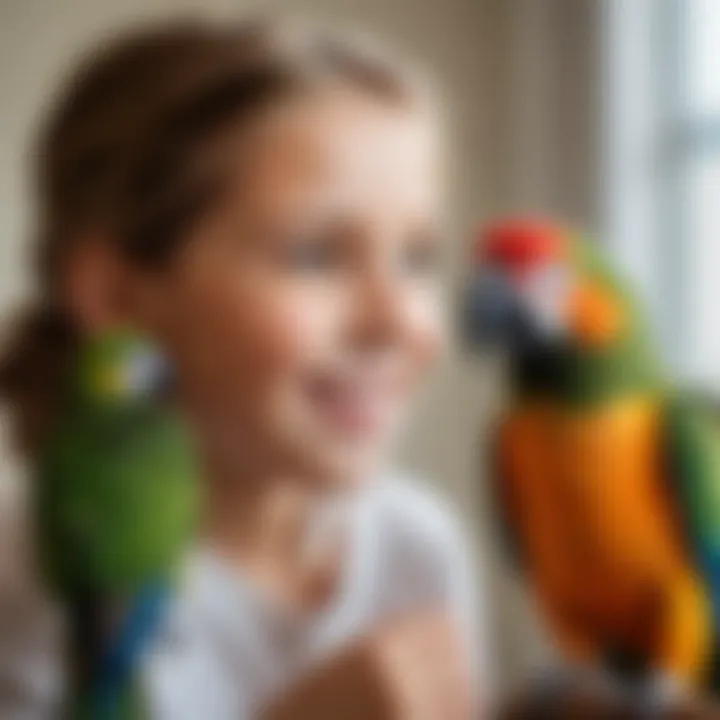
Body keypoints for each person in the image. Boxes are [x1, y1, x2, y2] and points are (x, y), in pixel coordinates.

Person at [0, 16, 483, 719]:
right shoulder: (30, 574)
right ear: (120, 299)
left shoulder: (418, 545)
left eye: (418, 258)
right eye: (315, 255)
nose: (401, 323)